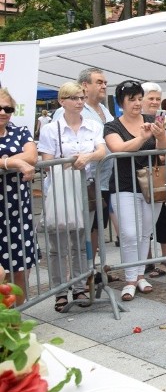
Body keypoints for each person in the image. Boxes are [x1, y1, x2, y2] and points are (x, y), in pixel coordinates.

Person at [37, 82, 107, 311]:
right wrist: (69, 163)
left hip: (83, 187)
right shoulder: (51, 128)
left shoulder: (92, 125)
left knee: (80, 239)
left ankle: (78, 285)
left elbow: (101, 151)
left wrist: (86, 157)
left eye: (82, 97)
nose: (79, 102)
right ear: (62, 101)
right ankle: (59, 290)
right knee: (57, 242)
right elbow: (47, 161)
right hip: (58, 189)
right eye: (74, 98)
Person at [103, 80, 166, 301]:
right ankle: (130, 278)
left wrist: (160, 135)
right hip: (124, 185)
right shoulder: (112, 126)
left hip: (152, 184)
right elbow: (118, 149)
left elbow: (165, 153)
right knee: (129, 233)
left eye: (138, 98)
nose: (136, 103)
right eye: (131, 99)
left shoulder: (153, 120)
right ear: (121, 102)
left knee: (145, 232)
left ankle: (140, 275)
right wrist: (142, 137)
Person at [53, 68, 118, 254]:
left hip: (103, 180)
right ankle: (76, 273)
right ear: (84, 85)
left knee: (97, 226)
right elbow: (59, 144)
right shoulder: (62, 112)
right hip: (79, 182)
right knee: (80, 228)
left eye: (105, 82)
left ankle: (93, 269)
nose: (104, 85)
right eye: (99, 82)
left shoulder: (104, 108)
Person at [0, 88, 37, 303]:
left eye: (8, 108)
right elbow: (23, 158)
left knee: (20, 267)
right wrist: (12, 161)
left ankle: (15, 316)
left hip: (17, 211)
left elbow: (31, 156)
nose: (4, 112)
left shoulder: (20, 131)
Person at [140, 82, 166, 278]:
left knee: (163, 217)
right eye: (151, 98)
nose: (155, 102)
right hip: (137, 174)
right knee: (142, 219)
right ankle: (144, 260)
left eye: (157, 98)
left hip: (160, 175)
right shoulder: (134, 119)